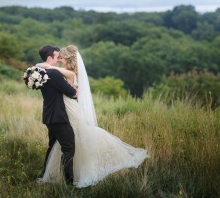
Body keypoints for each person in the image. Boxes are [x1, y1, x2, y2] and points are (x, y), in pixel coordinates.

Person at [37, 45, 149, 188]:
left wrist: (45, 66)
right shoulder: (63, 72)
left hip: (68, 109)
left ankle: (74, 176)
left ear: (68, 59)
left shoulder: (66, 73)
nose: (59, 60)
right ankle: (66, 174)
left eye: (61, 58)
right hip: (64, 111)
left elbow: (72, 91)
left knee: (74, 141)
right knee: (68, 143)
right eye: (58, 57)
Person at [37, 44, 77, 185]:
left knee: (53, 146)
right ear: (49, 58)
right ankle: (69, 181)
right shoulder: (53, 74)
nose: (59, 58)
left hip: (49, 115)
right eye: (57, 56)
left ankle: (46, 174)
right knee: (68, 147)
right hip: (59, 116)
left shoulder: (40, 72)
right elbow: (72, 93)